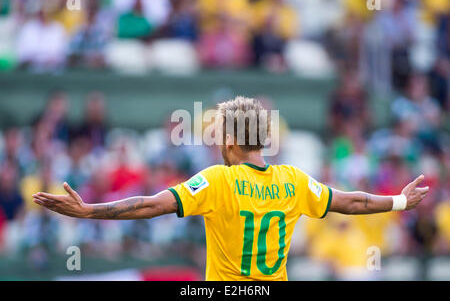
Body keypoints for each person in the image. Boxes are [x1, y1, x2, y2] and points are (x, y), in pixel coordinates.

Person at [32, 96, 429, 281]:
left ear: (235, 143)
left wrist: (89, 211)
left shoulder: (218, 180)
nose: (218, 144)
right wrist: (399, 200)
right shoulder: (293, 179)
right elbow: (351, 202)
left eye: (221, 136)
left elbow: (150, 206)